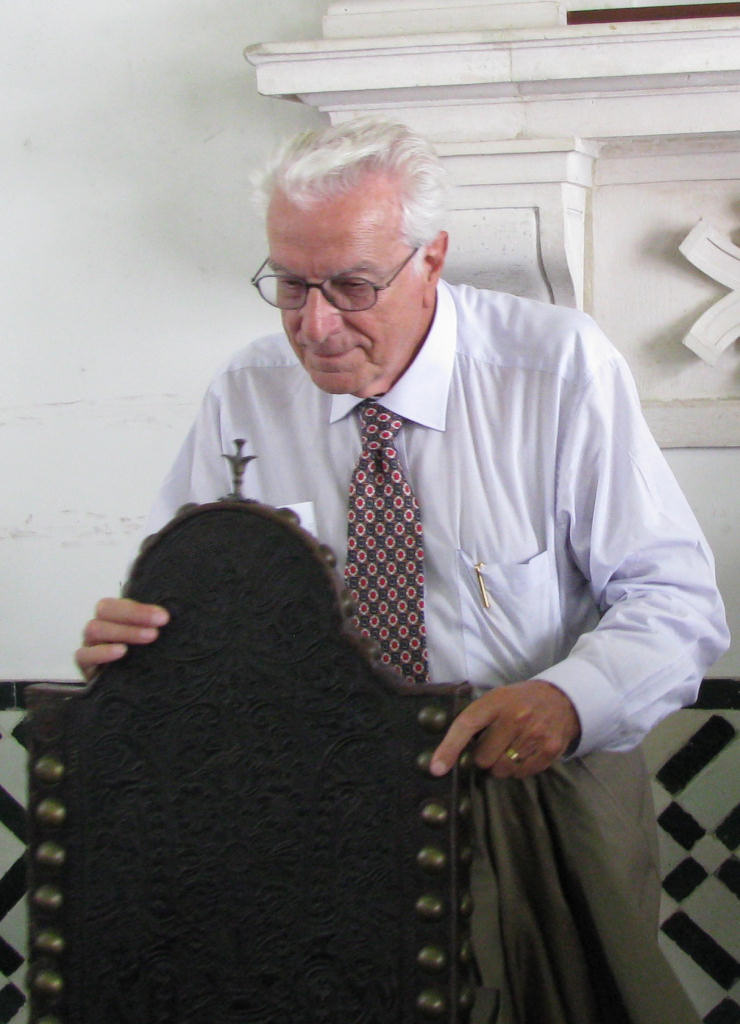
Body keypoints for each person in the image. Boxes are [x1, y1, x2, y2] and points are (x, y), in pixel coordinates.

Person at [76, 118, 729, 1023]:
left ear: (432, 259)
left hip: (530, 793)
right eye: (290, 286)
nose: (316, 325)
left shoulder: (556, 369)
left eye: (352, 286)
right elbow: (192, 601)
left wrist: (571, 698)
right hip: (311, 811)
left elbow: (676, 601)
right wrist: (142, 647)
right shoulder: (247, 391)